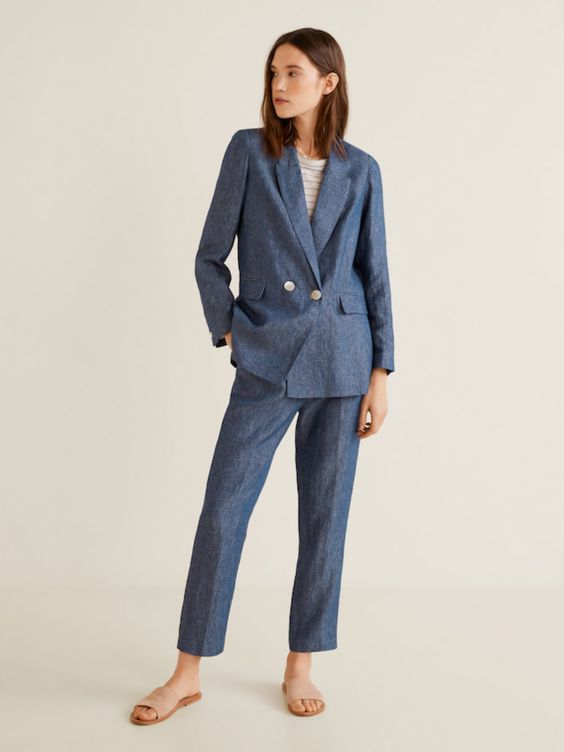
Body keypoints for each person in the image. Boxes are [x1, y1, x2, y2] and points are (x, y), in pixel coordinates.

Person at [130, 26, 395, 725]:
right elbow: (208, 256)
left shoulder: (362, 169)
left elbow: (375, 274)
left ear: (328, 83)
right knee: (223, 512)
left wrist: (381, 371)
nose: (278, 85)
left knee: (325, 518)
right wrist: (232, 330)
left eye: (293, 73)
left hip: (342, 360)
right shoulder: (249, 151)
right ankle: (187, 672)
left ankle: (300, 663)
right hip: (268, 358)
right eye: (273, 72)